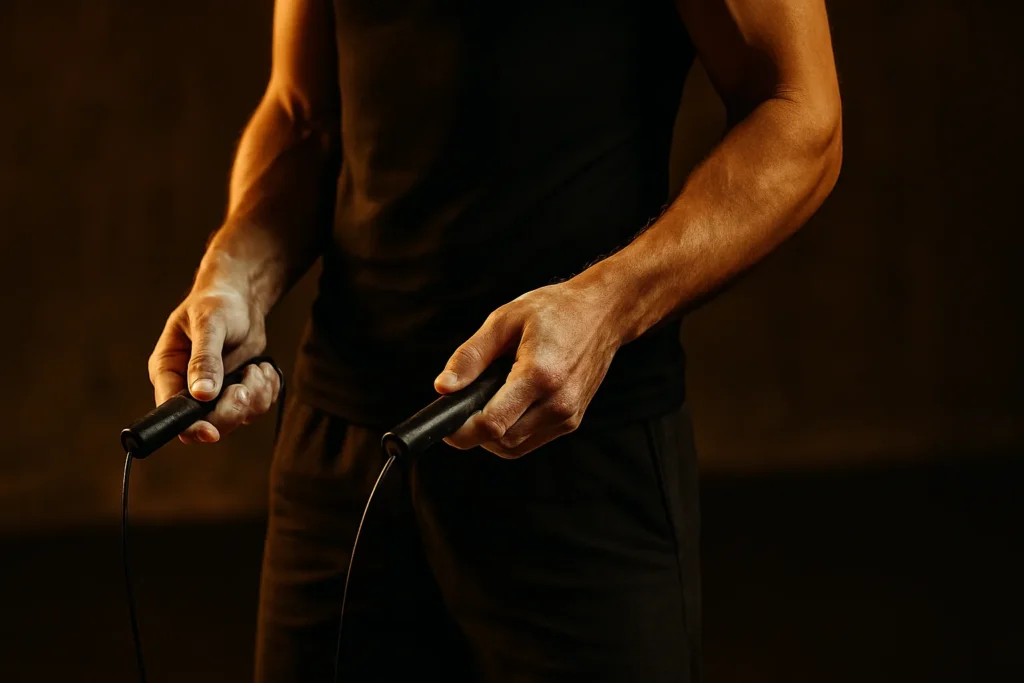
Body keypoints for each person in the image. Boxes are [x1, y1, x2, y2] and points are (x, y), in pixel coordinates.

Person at [148, 0, 841, 680]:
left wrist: (605, 306)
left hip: (577, 457)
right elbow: (303, 116)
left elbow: (798, 114)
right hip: (341, 446)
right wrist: (236, 271)